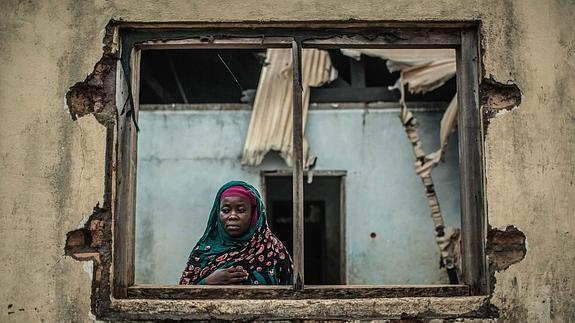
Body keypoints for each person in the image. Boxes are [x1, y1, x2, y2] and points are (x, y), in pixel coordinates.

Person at [179, 181, 293, 285]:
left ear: (253, 214)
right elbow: (180, 297)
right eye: (226, 210)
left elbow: (292, 292)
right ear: (218, 213)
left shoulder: (272, 248)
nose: (232, 216)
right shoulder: (203, 251)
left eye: (241, 210)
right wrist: (207, 282)